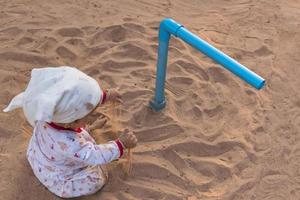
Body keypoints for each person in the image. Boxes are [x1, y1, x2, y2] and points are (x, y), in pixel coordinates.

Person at [3, 66, 138, 198]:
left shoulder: (48, 112)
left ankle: (84, 131)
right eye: (88, 116)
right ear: (70, 122)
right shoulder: (72, 144)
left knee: (68, 142)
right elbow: (93, 155)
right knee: (95, 181)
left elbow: (79, 99)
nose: (91, 117)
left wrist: (105, 96)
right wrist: (120, 144)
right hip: (59, 175)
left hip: (41, 157)